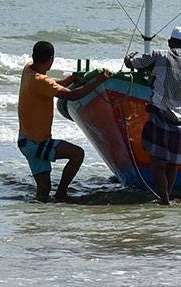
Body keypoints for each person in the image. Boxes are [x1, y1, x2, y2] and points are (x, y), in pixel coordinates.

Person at [17, 41, 112, 202]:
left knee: (44, 190)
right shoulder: (41, 81)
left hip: (25, 141)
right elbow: (71, 95)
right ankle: (61, 193)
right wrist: (99, 80)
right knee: (77, 154)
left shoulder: (28, 70)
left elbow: (52, 86)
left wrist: (72, 78)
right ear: (51, 60)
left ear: (34, 57)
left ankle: (36, 221)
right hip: (38, 143)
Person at [124, 26, 181, 205]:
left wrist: (129, 58)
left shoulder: (160, 55)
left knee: (157, 162)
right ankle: (166, 196)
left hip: (161, 114)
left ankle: (164, 200)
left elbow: (133, 64)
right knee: (172, 163)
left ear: (170, 42)